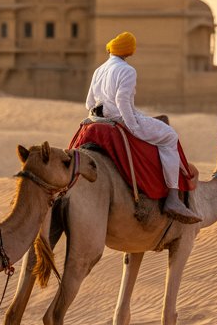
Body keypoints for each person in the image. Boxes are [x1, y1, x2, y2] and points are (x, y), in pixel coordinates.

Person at [86, 31, 200, 224]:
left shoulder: (100, 69)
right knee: (170, 136)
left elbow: (89, 102)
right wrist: (133, 127)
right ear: (128, 50)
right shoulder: (127, 70)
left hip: (97, 118)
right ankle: (172, 197)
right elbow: (122, 100)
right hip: (120, 118)